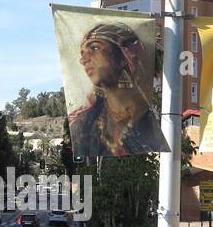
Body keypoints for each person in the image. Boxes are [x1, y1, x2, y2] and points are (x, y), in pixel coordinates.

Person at [68, 23, 168, 159]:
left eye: (94, 48)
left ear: (122, 57)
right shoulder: (83, 124)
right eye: (82, 53)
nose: (83, 59)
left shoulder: (155, 116)